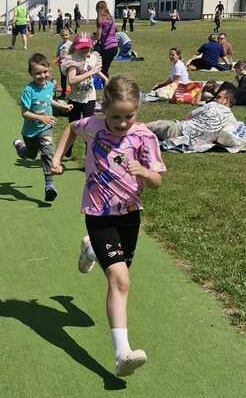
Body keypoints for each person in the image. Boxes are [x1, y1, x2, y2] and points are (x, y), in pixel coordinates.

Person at [51, 76, 165, 378]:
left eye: (129, 116)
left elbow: (157, 181)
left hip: (130, 215)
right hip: (98, 213)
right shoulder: (93, 125)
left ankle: (90, 248)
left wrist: (144, 172)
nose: (122, 123)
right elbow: (71, 128)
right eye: (115, 117)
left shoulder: (144, 136)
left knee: (118, 277)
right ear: (104, 109)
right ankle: (122, 354)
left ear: (137, 110)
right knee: (120, 280)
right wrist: (57, 158)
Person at [13, 53, 73, 202]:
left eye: (45, 72)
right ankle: (20, 147)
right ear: (31, 74)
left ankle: (49, 186)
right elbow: (24, 113)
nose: (42, 76)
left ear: (49, 70)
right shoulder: (29, 90)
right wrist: (41, 118)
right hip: (30, 132)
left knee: (47, 153)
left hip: (45, 129)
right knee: (30, 155)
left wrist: (62, 106)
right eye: (38, 73)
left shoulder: (50, 85)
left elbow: (49, 100)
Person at [60, 33, 105, 156]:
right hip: (75, 99)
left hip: (89, 98)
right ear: (76, 47)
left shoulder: (92, 57)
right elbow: (71, 80)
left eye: (87, 47)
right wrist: (90, 73)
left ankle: (89, 154)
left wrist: (106, 79)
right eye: (82, 47)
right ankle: (67, 149)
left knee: (89, 127)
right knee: (73, 125)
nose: (85, 50)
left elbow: (96, 70)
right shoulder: (72, 60)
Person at [147, 84, 238, 142]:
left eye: (218, 97)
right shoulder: (232, 120)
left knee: (147, 127)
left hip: (178, 130)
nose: (215, 99)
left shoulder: (212, 105)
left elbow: (188, 116)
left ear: (226, 101)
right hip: (191, 141)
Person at [95, 0, 118, 78]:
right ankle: (106, 82)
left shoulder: (100, 19)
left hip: (107, 47)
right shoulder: (111, 18)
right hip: (114, 46)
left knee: (103, 71)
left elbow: (98, 37)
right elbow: (115, 30)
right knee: (105, 70)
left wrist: (93, 36)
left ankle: (107, 83)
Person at [55, 27, 73, 98]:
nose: (64, 36)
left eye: (66, 35)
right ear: (61, 36)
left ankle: (73, 93)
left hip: (69, 63)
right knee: (63, 78)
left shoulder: (71, 44)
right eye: (63, 35)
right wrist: (57, 60)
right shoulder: (60, 45)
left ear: (69, 35)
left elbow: (73, 53)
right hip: (61, 64)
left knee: (71, 78)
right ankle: (63, 93)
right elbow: (58, 54)